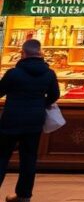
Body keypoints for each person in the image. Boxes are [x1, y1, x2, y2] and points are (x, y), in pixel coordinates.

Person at [0, 39, 59, 201]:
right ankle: (24, 195)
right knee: (29, 158)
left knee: (2, 156)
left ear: (23, 53)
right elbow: (55, 95)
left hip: (11, 120)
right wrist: (40, 104)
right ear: (40, 53)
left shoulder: (13, 73)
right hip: (34, 121)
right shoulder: (49, 74)